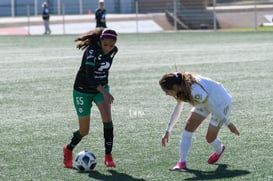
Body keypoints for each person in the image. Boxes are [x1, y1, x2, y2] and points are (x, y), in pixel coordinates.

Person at [159, 72, 240, 170]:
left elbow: (211, 106)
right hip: (205, 101)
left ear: (175, 87)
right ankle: (182, 162)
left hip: (220, 103)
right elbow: (178, 110)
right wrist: (168, 130)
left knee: (210, 138)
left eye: (166, 91)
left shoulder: (194, 90)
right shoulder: (181, 85)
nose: (166, 94)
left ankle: (220, 149)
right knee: (188, 128)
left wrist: (229, 124)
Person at [63, 28, 118, 168]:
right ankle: (68, 149)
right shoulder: (91, 51)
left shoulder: (114, 51)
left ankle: (108, 155)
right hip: (82, 91)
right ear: (100, 41)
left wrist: (104, 90)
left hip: (101, 89)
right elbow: (89, 76)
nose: (108, 48)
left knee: (108, 121)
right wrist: (105, 92)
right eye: (106, 45)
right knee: (84, 131)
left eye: (111, 45)